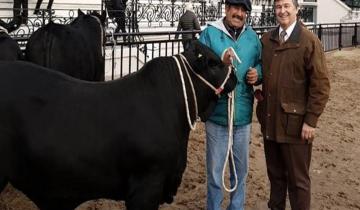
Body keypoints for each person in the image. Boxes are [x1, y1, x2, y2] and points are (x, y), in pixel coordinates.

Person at [257, 0, 330, 210]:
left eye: (287, 5)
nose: (282, 11)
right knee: (276, 178)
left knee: (298, 182)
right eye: (278, 6)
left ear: (297, 9)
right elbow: (259, 72)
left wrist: (311, 120)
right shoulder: (267, 39)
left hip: (297, 127)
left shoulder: (309, 41)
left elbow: (321, 85)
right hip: (270, 123)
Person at [199, 0, 262, 209]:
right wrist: (220, 63)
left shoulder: (253, 37)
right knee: (215, 173)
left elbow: (260, 62)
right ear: (226, 9)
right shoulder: (209, 34)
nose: (239, 13)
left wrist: (258, 74)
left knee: (240, 173)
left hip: (243, 116)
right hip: (217, 115)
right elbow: (197, 65)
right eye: (235, 8)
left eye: (244, 10)